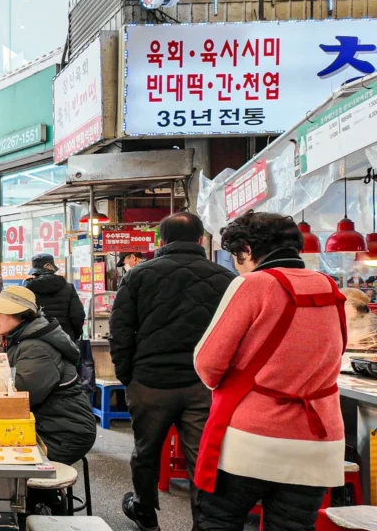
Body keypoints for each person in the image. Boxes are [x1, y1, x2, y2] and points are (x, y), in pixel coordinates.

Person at [194, 211, 346, 531]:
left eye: (237, 256)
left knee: (218, 521)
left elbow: (208, 364)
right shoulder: (328, 286)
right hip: (318, 442)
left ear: (247, 250)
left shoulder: (254, 284)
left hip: (252, 439)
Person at [108, 212, 236, 531]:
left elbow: (121, 330)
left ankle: (145, 513)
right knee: (203, 459)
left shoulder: (138, 275)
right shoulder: (226, 277)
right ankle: (203, 523)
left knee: (145, 452)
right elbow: (235, 335)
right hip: (204, 385)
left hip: (150, 382)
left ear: (160, 241)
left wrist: (128, 376)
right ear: (200, 240)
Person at [0, 286, 97, 465]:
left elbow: (19, 398)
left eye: (1, 311)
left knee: (8, 465)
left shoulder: (36, 348)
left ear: (21, 315)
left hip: (64, 433)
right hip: (47, 424)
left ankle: (40, 493)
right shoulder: (20, 340)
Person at [25, 254, 85, 343]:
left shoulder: (28, 290)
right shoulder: (68, 288)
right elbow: (78, 315)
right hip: (65, 339)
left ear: (34, 272)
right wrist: (75, 334)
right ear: (53, 269)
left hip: (36, 339)